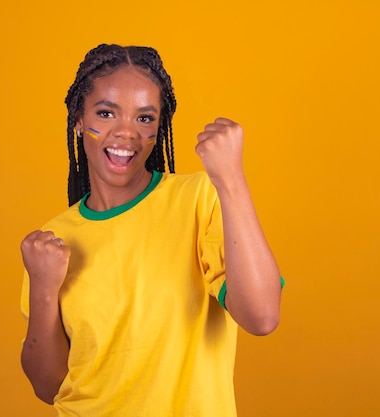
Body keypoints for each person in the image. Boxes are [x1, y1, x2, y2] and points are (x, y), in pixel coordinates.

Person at [20, 43, 283, 417]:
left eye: (144, 118)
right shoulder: (54, 239)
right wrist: (43, 290)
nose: (126, 132)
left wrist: (231, 179)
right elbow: (49, 388)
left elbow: (262, 317)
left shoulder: (198, 199)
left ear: (159, 127)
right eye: (107, 112)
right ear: (79, 119)